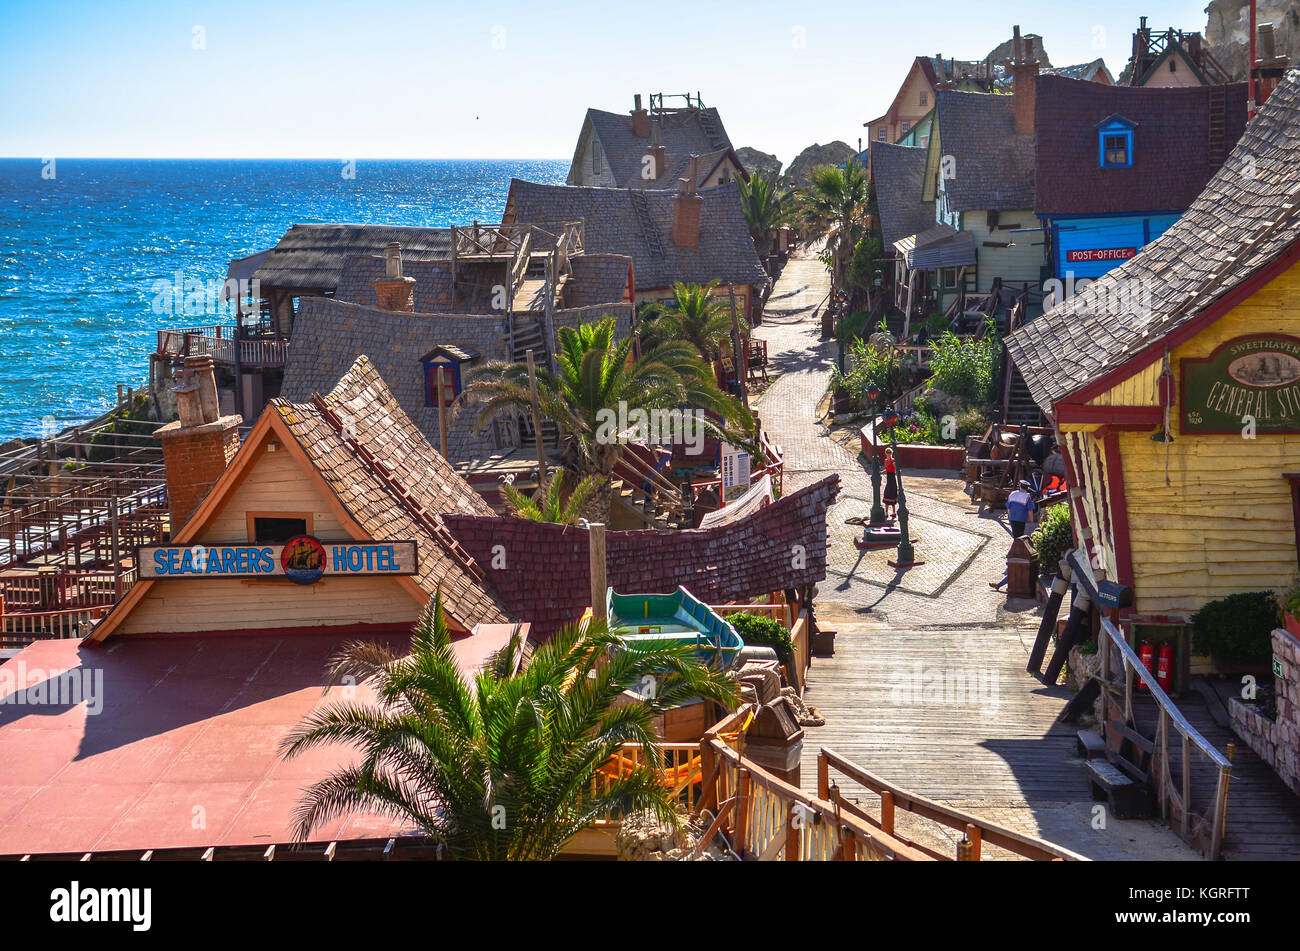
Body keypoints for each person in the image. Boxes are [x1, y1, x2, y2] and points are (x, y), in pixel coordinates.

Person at [882, 447, 898, 520]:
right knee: (887, 495)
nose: (888, 454)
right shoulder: (885, 461)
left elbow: (895, 468)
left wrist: (897, 471)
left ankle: (894, 512)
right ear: (885, 453)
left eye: (890, 453)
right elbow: (887, 469)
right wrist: (882, 472)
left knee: (892, 495)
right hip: (888, 479)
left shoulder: (893, 461)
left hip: (892, 479)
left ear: (891, 453)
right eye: (887, 453)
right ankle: (886, 512)